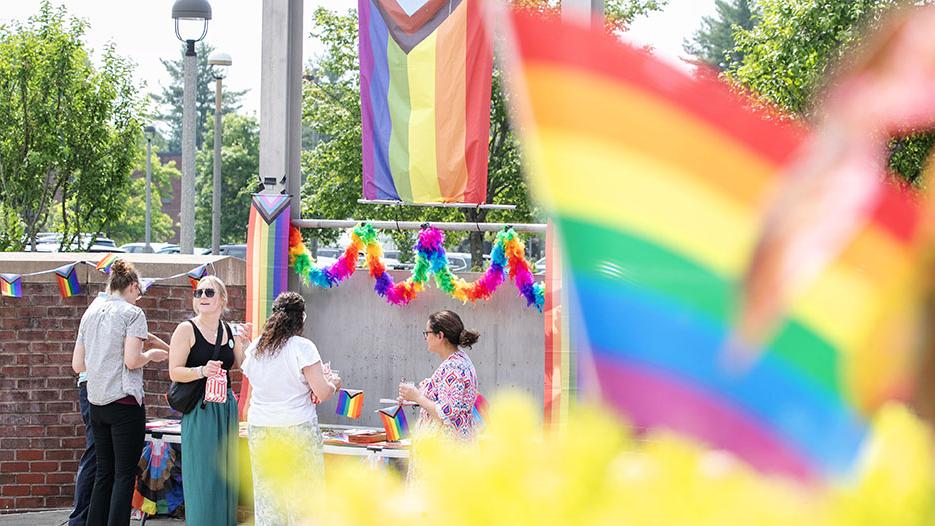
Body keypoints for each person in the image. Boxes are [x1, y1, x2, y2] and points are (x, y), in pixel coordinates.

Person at [71, 260, 169, 526]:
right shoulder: (132, 313)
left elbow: (78, 365)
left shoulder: (90, 313)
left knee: (104, 473)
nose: (139, 298)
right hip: (125, 404)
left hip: (97, 403)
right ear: (134, 287)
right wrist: (151, 355)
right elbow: (132, 361)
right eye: (139, 292)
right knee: (124, 476)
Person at [241, 292, 341, 526]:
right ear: (301, 318)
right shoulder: (302, 347)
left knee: (268, 498)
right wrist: (334, 383)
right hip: (297, 427)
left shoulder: (256, 347)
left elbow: (254, 386)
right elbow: (322, 391)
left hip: (261, 428)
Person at [168, 275, 249, 526]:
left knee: (225, 474)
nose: (202, 297)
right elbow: (174, 372)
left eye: (209, 293)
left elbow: (245, 365)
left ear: (222, 299)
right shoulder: (186, 329)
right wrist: (201, 371)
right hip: (201, 409)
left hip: (225, 407)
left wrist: (245, 342)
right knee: (203, 474)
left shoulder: (229, 330)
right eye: (198, 293)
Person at [398, 310, 480, 441]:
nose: (426, 338)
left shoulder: (453, 367)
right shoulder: (460, 360)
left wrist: (418, 397)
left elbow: (446, 414)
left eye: (427, 333)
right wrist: (415, 397)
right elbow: (450, 405)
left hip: (448, 449)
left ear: (440, 335)